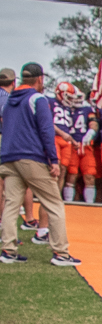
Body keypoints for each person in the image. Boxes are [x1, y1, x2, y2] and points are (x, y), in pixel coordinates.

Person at [0, 62, 79, 266]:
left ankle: (8, 249)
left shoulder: (9, 101)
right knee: (54, 203)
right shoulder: (38, 99)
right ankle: (61, 253)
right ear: (40, 79)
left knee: (11, 205)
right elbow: (46, 131)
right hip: (31, 156)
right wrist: (53, 159)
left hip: (8, 157)